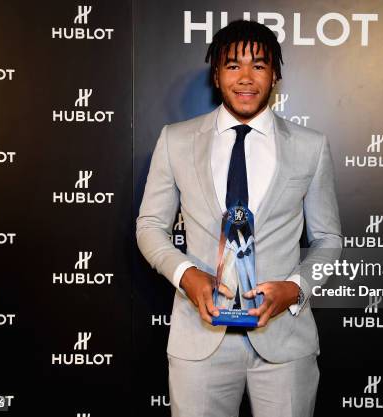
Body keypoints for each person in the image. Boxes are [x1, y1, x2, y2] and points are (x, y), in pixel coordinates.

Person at [136, 19, 341, 417]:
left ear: (275, 74)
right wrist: (187, 277)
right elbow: (150, 227)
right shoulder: (175, 140)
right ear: (216, 74)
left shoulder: (310, 147)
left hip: (285, 344)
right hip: (200, 340)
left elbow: (328, 239)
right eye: (233, 65)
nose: (246, 78)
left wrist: (294, 289)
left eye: (259, 66)